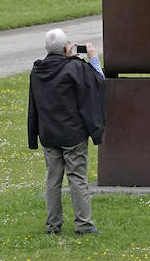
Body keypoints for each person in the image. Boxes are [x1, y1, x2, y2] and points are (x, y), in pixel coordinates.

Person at [28, 28, 105, 235]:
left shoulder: (38, 70)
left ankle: (53, 226)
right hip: (72, 134)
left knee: (53, 180)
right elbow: (98, 83)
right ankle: (84, 225)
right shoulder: (75, 67)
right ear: (65, 48)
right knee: (77, 179)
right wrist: (92, 59)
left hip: (48, 133)